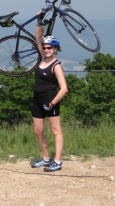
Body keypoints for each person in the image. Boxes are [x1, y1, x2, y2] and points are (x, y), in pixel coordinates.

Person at [31, 36, 68, 172]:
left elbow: (64, 89)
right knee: (38, 131)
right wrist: (40, 19)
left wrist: (51, 103)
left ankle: (57, 161)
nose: (46, 50)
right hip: (37, 100)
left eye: (49, 48)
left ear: (55, 49)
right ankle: (45, 158)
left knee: (55, 130)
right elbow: (37, 37)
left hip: (50, 101)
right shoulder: (43, 59)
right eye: (45, 47)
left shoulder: (56, 66)